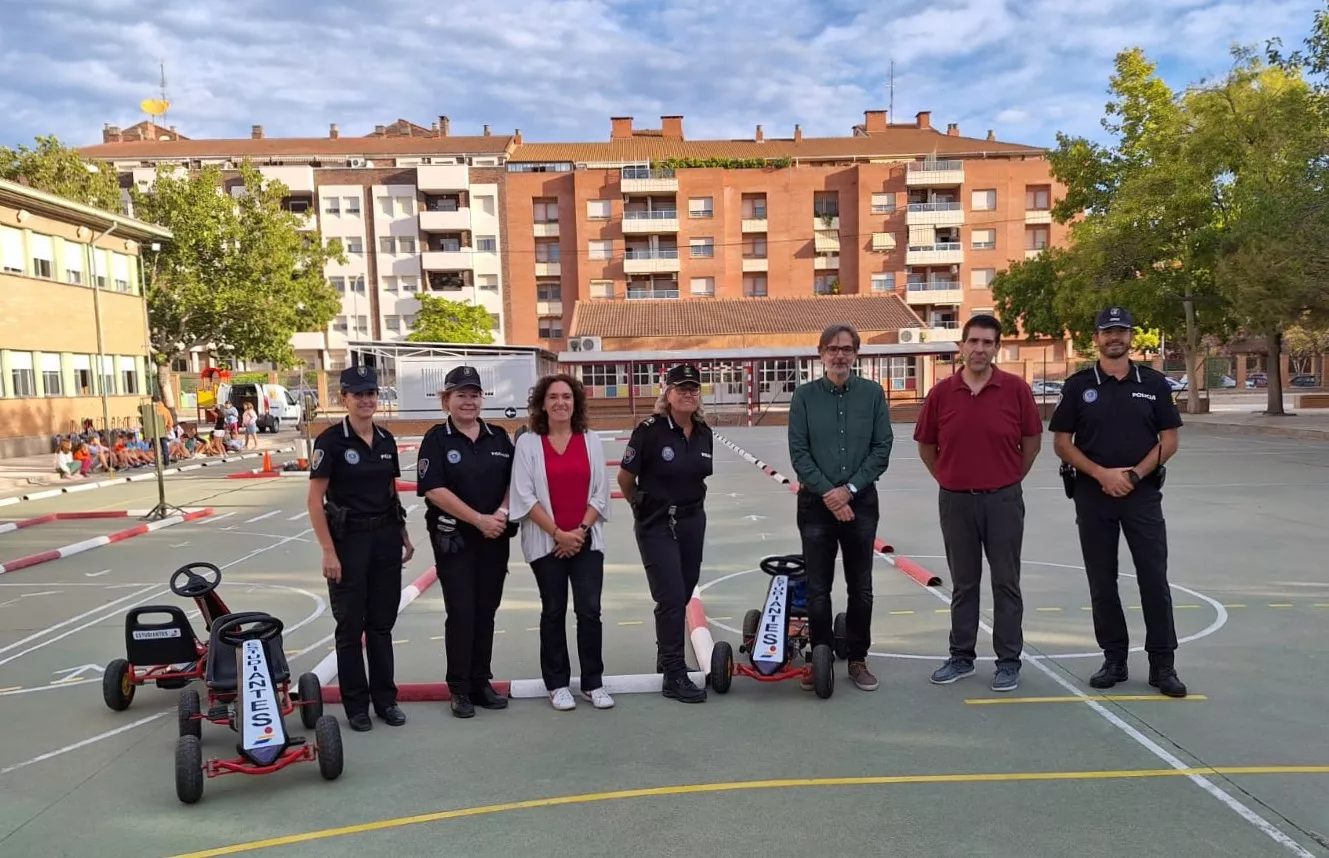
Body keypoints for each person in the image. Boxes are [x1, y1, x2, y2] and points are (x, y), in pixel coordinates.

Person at [1049, 306, 1187, 698]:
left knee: (1153, 580)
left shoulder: (1155, 383)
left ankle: (1163, 664)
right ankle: (1115, 659)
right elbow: (1061, 443)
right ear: (1096, 337)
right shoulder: (1077, 386)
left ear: (1130, 336)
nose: (1115, 337)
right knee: (1102, 581)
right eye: (1107, 331)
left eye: (1121, 331)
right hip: (1094, 497)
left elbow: (1170, 440)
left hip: (1141, 496)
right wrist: (1102, 475)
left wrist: (1131, 476)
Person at [914, 314, 1043, 692]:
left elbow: (1031, 444)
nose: (979, 349)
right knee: (964, 584)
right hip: (956, 501)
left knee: (1006, 582)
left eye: (987, 342)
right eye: (973, 341)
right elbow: (926, 446)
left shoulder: (1016, 390)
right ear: (961, 346)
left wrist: (1006, 480)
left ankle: (1008, 662)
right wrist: (948, 478)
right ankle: (961, 657)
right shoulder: (941, 393)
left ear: (997, 348)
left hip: (1003, 500)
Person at [307, 365, 415, 731]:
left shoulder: (385, 440)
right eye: (359, 394)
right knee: (351, 627)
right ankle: (356, 705)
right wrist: (327, 550)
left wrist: (402, 532)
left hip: (384, 539)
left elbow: (389, 491)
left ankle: (386, 700)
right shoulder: (330, 442)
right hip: (347, 541)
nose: (367, 400)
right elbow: (314, 500)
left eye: (372, 393)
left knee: (382, 625)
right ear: (344, 399)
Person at [787, 323, 894, 692]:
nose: (839, 355)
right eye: (832, 349)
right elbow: (799, 454)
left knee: (860, 587)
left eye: (846, 349)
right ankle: (818, 657)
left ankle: (858, 657)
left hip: (860, 503)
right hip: (815, 506)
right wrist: (829, 495)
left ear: (856, 354)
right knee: (818, 587)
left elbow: (882, 448)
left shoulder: (872, 394)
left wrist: (848, 490)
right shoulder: (803, 397)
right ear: (820, 354)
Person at [508, 373, 615, 712]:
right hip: (547, 544)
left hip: (585, 540)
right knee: (553, 610)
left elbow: (600, 493)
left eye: (566, 397)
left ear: (575, 403)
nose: (560, 403)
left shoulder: (591, 440)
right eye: (553, 397)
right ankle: (557, 684)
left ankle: (593, 683)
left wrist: (579, 532)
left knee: (590, 611)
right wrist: (558, 534)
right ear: (542, 403)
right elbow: (523, 496)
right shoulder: (527, 443)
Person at [415, 365, 516, 719]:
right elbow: (434, 489)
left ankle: (480, 681)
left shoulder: (499, 437)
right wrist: (478, 519)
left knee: (486, 610)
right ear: (447, 400)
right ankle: (459, 688)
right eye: (461, 395)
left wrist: (501, 513)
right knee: (461, 612)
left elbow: (513, 482)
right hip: (454, 538)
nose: (469, 402)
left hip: (495, 536)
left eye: (474, 395)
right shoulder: (436, 439)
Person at [617, 364, 712, 704]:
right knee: (670, 595)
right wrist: (639, 508)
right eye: (681, 388)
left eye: (693, 388)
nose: (688, 393)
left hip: (692, 521)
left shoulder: (703, 432)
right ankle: (674, 672)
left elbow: (700, 477)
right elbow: (625, 479)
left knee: (683, 591)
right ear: (667, 394)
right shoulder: (650, 431)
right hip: (656, 522)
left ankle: (665, 655)